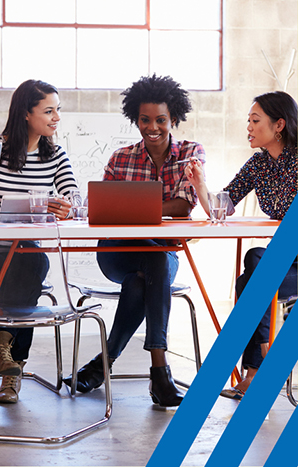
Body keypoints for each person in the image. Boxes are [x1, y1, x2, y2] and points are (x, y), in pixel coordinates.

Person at [63, 73, 206, 407]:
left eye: (160, 120)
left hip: (162, 252)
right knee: (149, 265)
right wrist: (157, 207)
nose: (152, 127)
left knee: (143, 279)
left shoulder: (190, 153)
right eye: (144, 120)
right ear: (135, 118)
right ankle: (160, 375)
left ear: (174, 119)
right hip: (118, 250)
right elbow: (105, 209)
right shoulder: (120, 157)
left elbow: (185, 206)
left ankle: (104, 365)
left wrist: (133, 206)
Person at [0, 79, 78, 404]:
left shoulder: (55, 155)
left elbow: (74, 197)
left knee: (31, 262)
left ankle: (5, 360)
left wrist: (67, 206)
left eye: (58, 110)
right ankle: (8, 362)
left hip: (24, 260)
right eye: (49, 111)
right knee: (33, 265)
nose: (56, 118)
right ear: (26, 113)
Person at [185, 91, 298, 400]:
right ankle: (262, 362)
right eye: (248, 120)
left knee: (253, 273)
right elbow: (221, 208)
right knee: (254, 265)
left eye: (254, 120)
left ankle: (255, 370)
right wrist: (200, 184)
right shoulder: (259, 165)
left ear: (279, 125)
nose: (248, 127)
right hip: (285, 259)